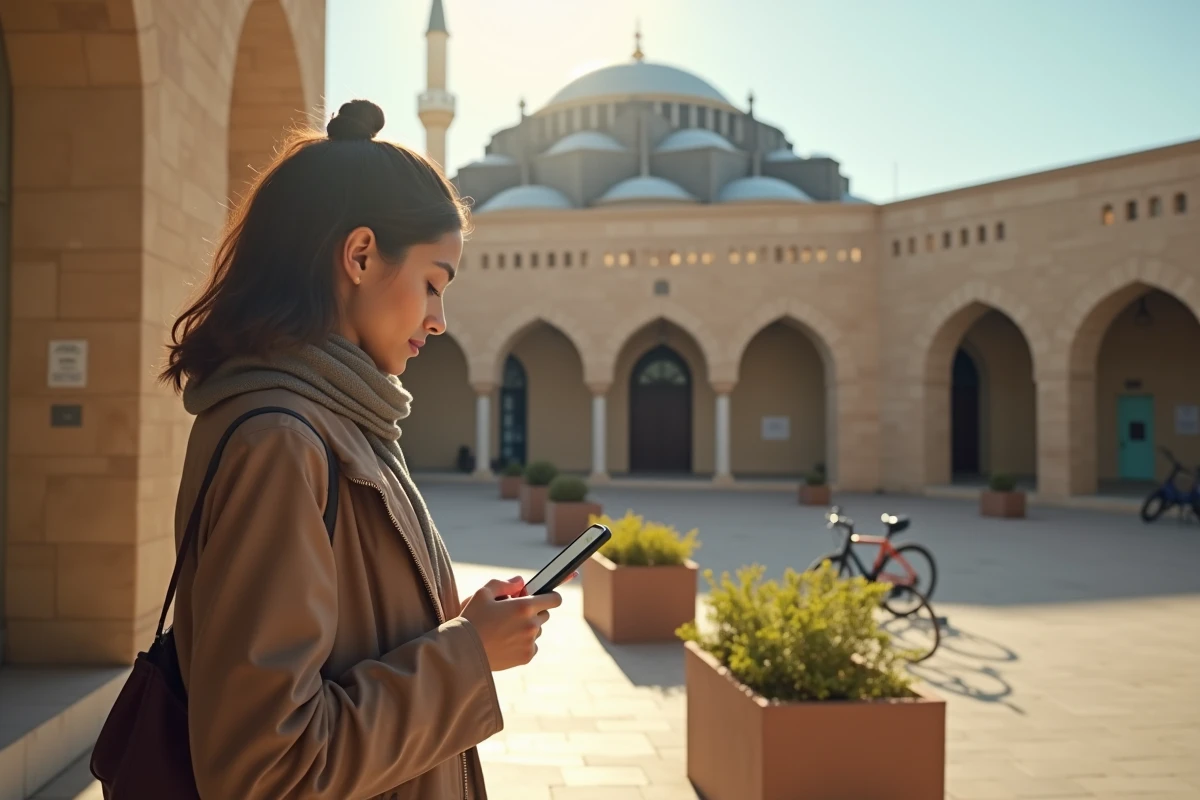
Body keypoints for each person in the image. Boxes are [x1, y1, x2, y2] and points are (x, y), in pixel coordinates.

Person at [160, 99, 563, 799]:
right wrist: (468, 653)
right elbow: (269, 768)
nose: (439, 321)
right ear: (360, 255)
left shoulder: (347, 423)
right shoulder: (281, 443)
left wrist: (459, 622)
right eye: (433, 284)